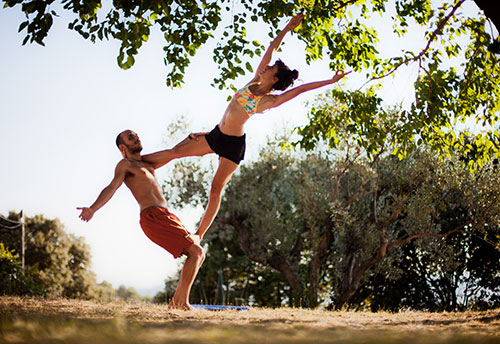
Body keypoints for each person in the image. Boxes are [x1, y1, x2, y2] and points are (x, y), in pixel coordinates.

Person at [143, 13, 351, 242]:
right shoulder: (253, 81)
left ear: (273, 79)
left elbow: (298, 90)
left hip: (233, 145)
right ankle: (140, 163)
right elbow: (272, 48)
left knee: (215, 189)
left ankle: (199, 234)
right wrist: (288, 27)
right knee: (175, 152)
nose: (265, 67)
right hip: (216, 134)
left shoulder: (267, 101)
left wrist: (330, 81)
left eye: (270, 69)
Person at [77, 129, 204, 311]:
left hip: (166, 215)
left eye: (136, 135)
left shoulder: (148, 162)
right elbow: (112, 187)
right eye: (131, 137)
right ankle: (181, 303)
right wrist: (93, 208)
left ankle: (177, 303)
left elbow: (174, 152)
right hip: (152, 217)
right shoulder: (125, 165)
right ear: (123, 147)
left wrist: (190, 138)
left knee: (199, 254)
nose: (136, 138)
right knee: (196, 252)